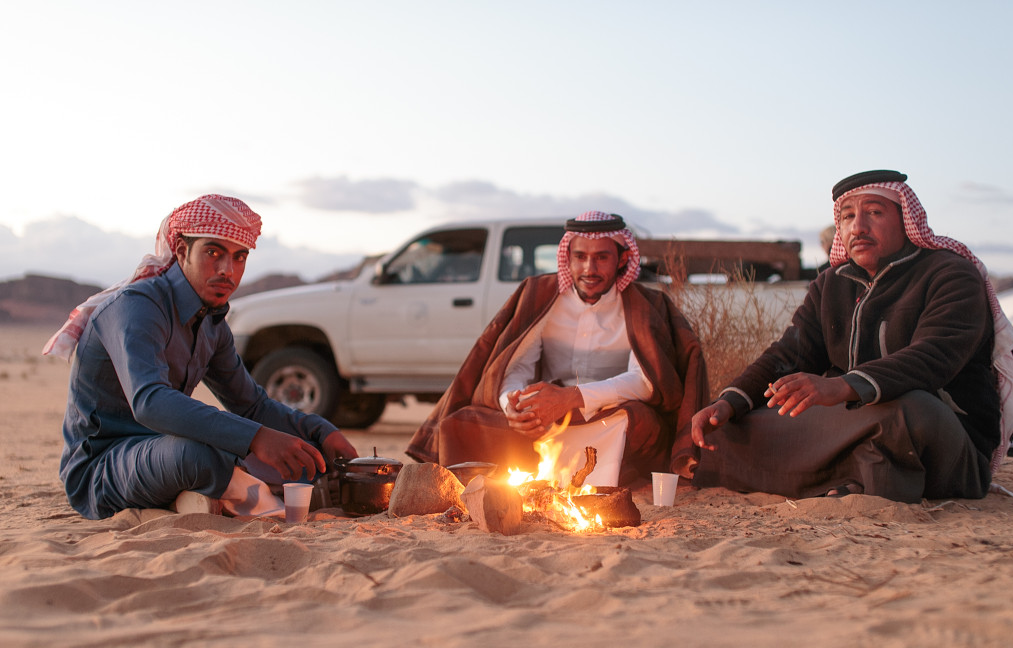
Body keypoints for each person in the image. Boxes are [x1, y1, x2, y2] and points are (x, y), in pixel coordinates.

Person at [691, 170, 1013, 503]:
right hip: (852, 424)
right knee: (732, 429)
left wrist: (841, 386)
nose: (858, 226)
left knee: (909, 410)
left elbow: (933, 356)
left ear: (906, 220)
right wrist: (729, 401)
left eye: (875, 212)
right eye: (848, 216)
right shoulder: (830, 284)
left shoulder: (950, 275)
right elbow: (787, 355)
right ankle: (853, 477)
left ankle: (845, 475)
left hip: (943, 437)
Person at [44, 194, 357, 520]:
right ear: (181, 251)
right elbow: (150, 401)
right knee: (203, 452)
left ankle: (205, 499)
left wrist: (322, 432)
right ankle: (268, 507)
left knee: (281, 448)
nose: (228, 270)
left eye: (239, 257)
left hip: (162, 454)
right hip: (103, 468)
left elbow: (252, 405)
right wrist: (256, 437)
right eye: (213, 253)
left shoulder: (211, 322)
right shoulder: (138, 306)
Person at [406, 211, 709, 488]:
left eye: (601, 257)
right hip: (544, 419)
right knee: (464, 422)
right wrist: (512, 403)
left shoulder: (644, 306)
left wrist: (572, 399)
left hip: (608, 415)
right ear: (567, 257)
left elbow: (644, 381)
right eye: (580, 257)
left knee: (634, 420)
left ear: (622, 258)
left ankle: (596, 479)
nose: (589, 268)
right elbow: (515, 366)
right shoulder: (539, 296)